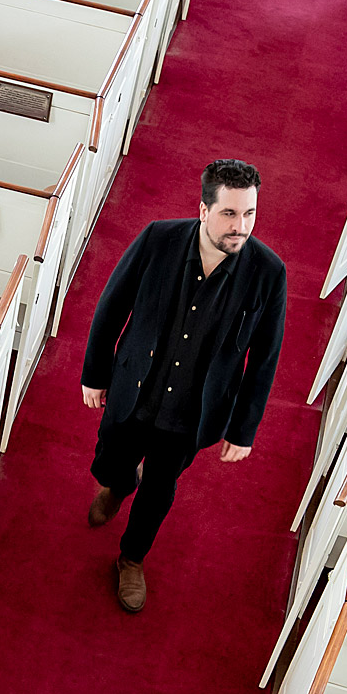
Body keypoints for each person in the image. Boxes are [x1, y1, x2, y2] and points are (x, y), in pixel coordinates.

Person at [78, 158, 287, 614]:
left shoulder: (269, 273)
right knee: (109, 460)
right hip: (133, 390)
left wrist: (242, 429)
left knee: (159, 488)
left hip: (192, 414)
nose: (241, 226)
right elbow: (111, 306)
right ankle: (115, 484)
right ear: (203, 209)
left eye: (249, 213)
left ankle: (132, 558)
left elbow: (264, 359)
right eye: (230, 214)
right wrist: (95, 374)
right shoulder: (157, 239)